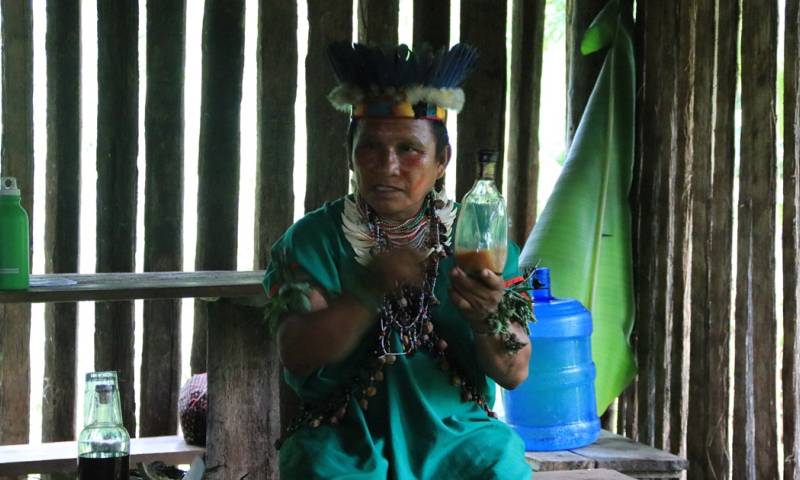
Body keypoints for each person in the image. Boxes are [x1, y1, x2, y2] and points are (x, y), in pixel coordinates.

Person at [263, 42, 533, 479]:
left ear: (441, 161)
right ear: (351, 156)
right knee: (315, 466)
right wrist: (366, 292)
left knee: (500, 464)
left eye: (410, 149)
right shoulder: (313, 240)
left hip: (458, 432)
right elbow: (296, 352)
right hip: (345, 432)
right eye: (370, 148)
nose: (388, 166)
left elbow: (515, 372)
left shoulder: (479, 240)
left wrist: (489, 318)